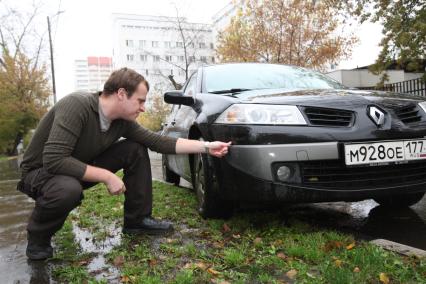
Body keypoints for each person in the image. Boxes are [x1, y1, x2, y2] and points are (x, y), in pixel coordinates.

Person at [17, 67, 231, 260]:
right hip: (40, 174)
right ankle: (38, 237)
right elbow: (54, 160)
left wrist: (207, 146)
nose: (143, 108)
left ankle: (137, 220)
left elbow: (159, 142)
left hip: (75, 168)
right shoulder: (77, 105)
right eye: (140, 100)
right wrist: (107, 176)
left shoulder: (122, 123)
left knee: (135, 149)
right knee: (67, 190)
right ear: (121, 94)